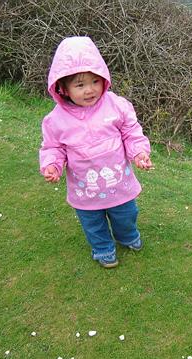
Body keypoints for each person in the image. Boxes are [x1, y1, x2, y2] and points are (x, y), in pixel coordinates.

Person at [39, 36, 153, 268]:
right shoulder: (55, 120)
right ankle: (103, 249)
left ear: (103, 79)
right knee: (93, 223)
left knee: (126, 214)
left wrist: (139, 152)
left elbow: (131, 132)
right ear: (63, 88)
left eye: (94, 81)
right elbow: (54, 148)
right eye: (80, 85)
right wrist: (52, 165)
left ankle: (127, 236)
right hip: (85, 190)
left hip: (119, 183)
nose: (89, 90)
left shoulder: (116, 105)